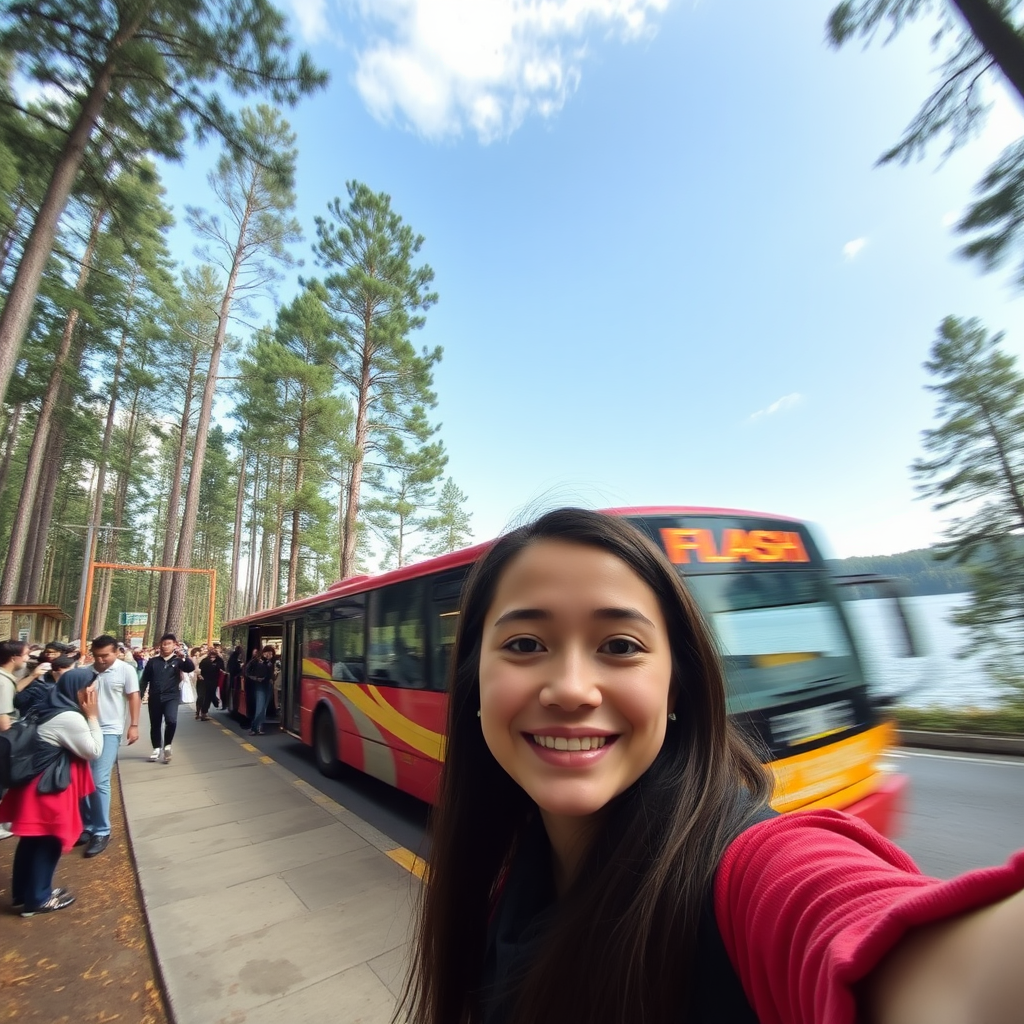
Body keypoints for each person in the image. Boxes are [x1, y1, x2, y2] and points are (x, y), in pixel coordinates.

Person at [401, 508, 1024, 1024]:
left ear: (677, 688)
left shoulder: (750, 873)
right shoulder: (508, 875)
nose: (571, 689)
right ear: (474, 680)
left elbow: (938, 970)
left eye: (620, 646)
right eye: (525, 645)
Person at [0, 672, 102, 916]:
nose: (93, 694)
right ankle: (38, 899)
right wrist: (93, 717)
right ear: (78, 690)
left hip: (33, 784)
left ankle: (23, 894)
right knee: (49, 841)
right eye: (90, 689)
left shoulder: (48, 705)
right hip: (49, 789)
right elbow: (94, 750)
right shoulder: (69, 718)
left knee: (32, 840)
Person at [59, 635, 141, 857]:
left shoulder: (126, 670)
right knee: (82, 777)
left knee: (98, 779)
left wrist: (133, 724)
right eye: (97, 656)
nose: (101, 660)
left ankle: (102, 830)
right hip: (83, 729)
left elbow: (134, 696)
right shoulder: (85, 672)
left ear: (117, 652)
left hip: (109, 730)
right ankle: (87, 825)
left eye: (106, 655)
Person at [139, 634, 195, 764]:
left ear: (174, 645)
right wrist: (140, 695)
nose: (165, 646)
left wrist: (185, 657)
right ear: (160, 645)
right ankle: (156, 748)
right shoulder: (153, 662)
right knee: (155, 723)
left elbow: (190, 668)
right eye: (163, 643)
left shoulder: (178, 661)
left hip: (171, 696)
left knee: (171, 720)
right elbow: (145, 680)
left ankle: (168, 745)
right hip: (155, 696)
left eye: (169, 643)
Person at [244, 646, 276, 736]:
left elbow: (271, 674)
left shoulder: (270, 663)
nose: (269, 655)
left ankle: (259, 727)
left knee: (264, 708)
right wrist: (255, 678)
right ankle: (254, 727)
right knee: (260, 707)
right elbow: (247, 671)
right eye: (268, 653)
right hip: (259, 686)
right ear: (263, 652)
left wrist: (272, 678)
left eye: (271, 654)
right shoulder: (256, 661)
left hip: (268, 685)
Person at [196, 646, 225, 721]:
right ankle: (201, 712)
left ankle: (203, 713)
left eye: (214, 657)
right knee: (204, 697)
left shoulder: (218, 661)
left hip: (212, 681)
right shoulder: (205, 661)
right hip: (204, 681)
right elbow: (199, 668)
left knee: (208, 697)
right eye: (211, 657)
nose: (212, 659)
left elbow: (223, 668)